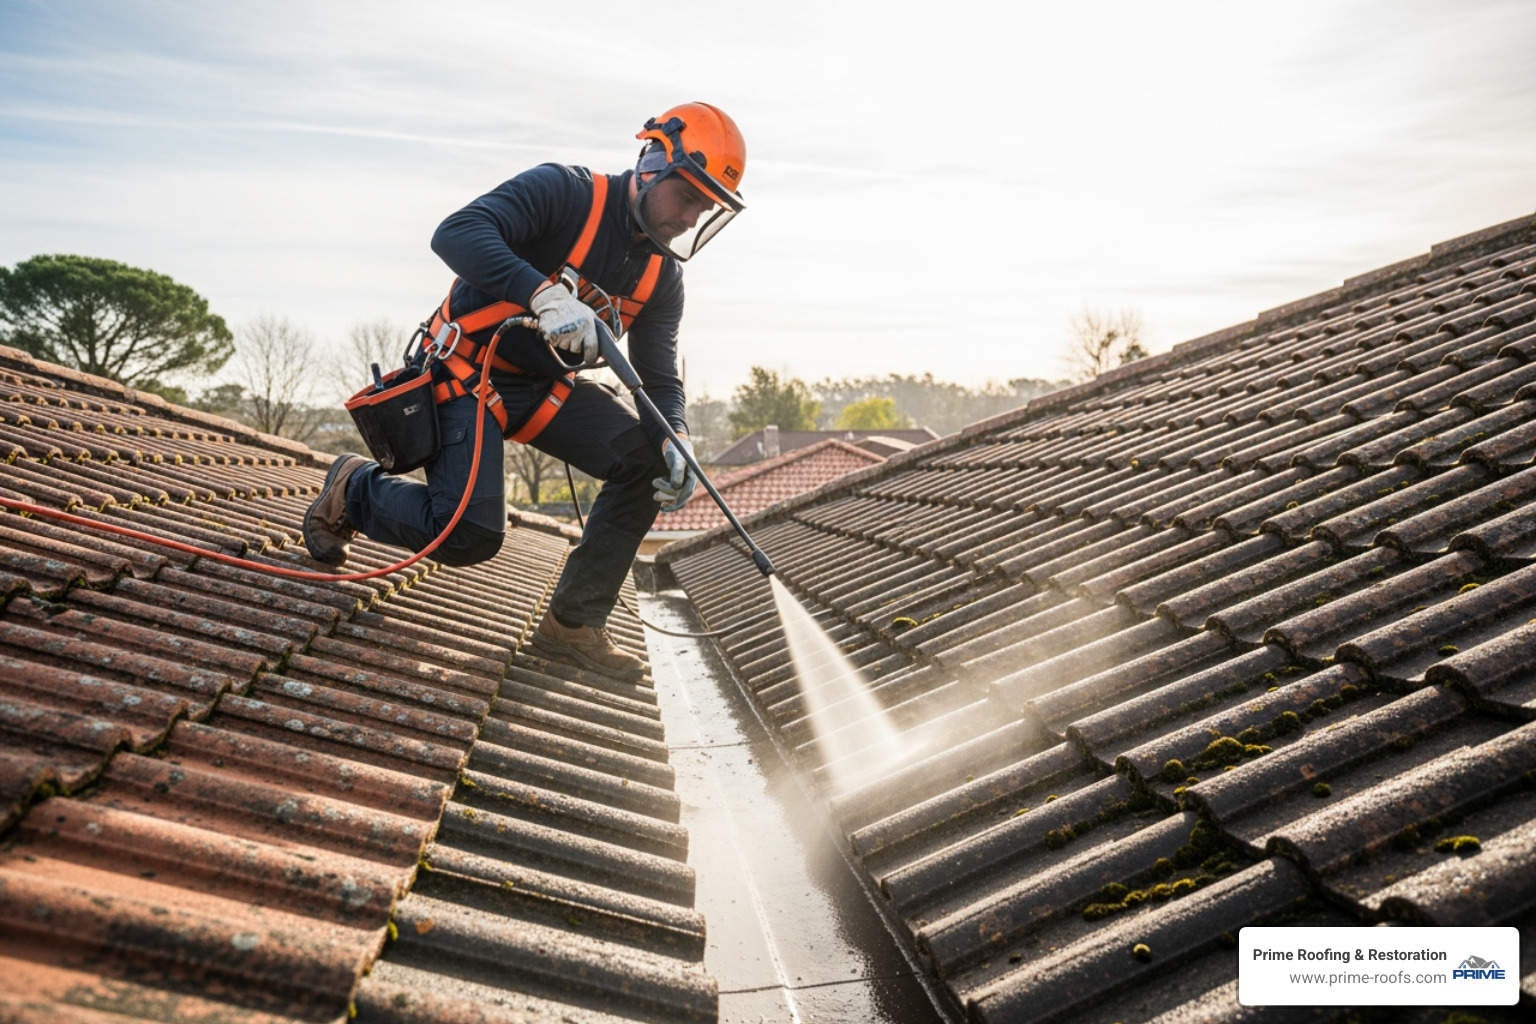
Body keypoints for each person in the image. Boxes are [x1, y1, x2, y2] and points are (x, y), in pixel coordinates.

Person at [303, 102, 747, 680]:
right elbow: (455, 232)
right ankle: (354, 489)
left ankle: (573, 624)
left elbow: (658, 377)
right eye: (686, 197)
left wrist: (677, 435)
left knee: (648, 458)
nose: (690, 217)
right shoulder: (565, 193)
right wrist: (542, 294)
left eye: (704, 207)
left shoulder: (663, 279)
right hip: (467, 370)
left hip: (542, 390)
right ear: (651, 164)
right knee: (467, 535)